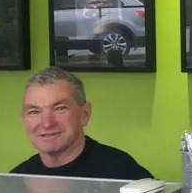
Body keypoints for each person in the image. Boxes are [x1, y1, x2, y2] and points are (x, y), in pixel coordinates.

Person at [11, 67, 153, 180]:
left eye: (60, 108)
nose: (47, 123)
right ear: (23, 119)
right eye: (34, 111)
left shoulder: (122, 174)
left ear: (85, 114)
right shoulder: (15, 182)